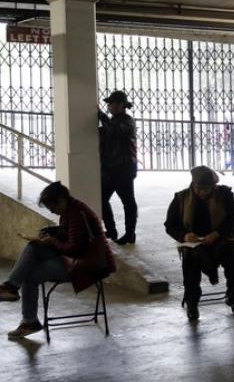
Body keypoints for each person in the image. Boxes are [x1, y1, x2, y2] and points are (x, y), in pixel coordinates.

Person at [0, 182, 116, 339]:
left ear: (61, 200)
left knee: (31, 274)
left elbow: (74, 248)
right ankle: (11, 288)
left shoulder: (77, 214)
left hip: (86, 265)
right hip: (73, 259)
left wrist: (51, 241)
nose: (53, 212)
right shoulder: (70, 211)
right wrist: (50, 234)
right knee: (33, 247)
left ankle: (28, 319)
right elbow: (69, 237)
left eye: (53, 208)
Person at [164, 166, 234, 320]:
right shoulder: (181, 198)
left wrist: (217, 233)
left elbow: (233, 219)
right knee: (191, 261)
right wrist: (185, 236)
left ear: (213, 187)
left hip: (221, 238)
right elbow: (170, 225)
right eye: (198, 188)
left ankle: (233, 297)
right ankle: (192, 303)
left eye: (206, 189)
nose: (201, 192)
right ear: (192, 185)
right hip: (194, 243)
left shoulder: (225, 195)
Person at [98, 90, 138, 245]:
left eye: (111, 103)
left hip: (123, 170)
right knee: (101, 199)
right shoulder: (113, 121)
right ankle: (112, 231)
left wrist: (102, 116)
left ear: (121, 105)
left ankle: (130, 234)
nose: (108, 106)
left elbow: (114, 131)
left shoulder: (127, 121)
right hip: (109, 170)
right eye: (107, 104)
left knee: (128, 202)